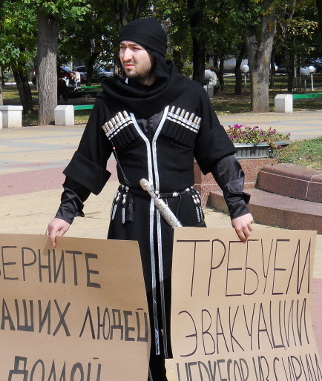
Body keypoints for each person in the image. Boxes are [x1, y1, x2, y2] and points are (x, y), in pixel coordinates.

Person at [45, 17, 253, 381]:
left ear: (154, 52)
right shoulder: (109, 100)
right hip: (131, 218)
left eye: (135, 49)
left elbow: (218, 154)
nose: (126, 55)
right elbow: (89, 159)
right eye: (122, 48)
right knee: (131, 301)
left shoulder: (191, 94)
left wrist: (238, 207)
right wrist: (66, 212)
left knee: (187, 299)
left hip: (183, 216)